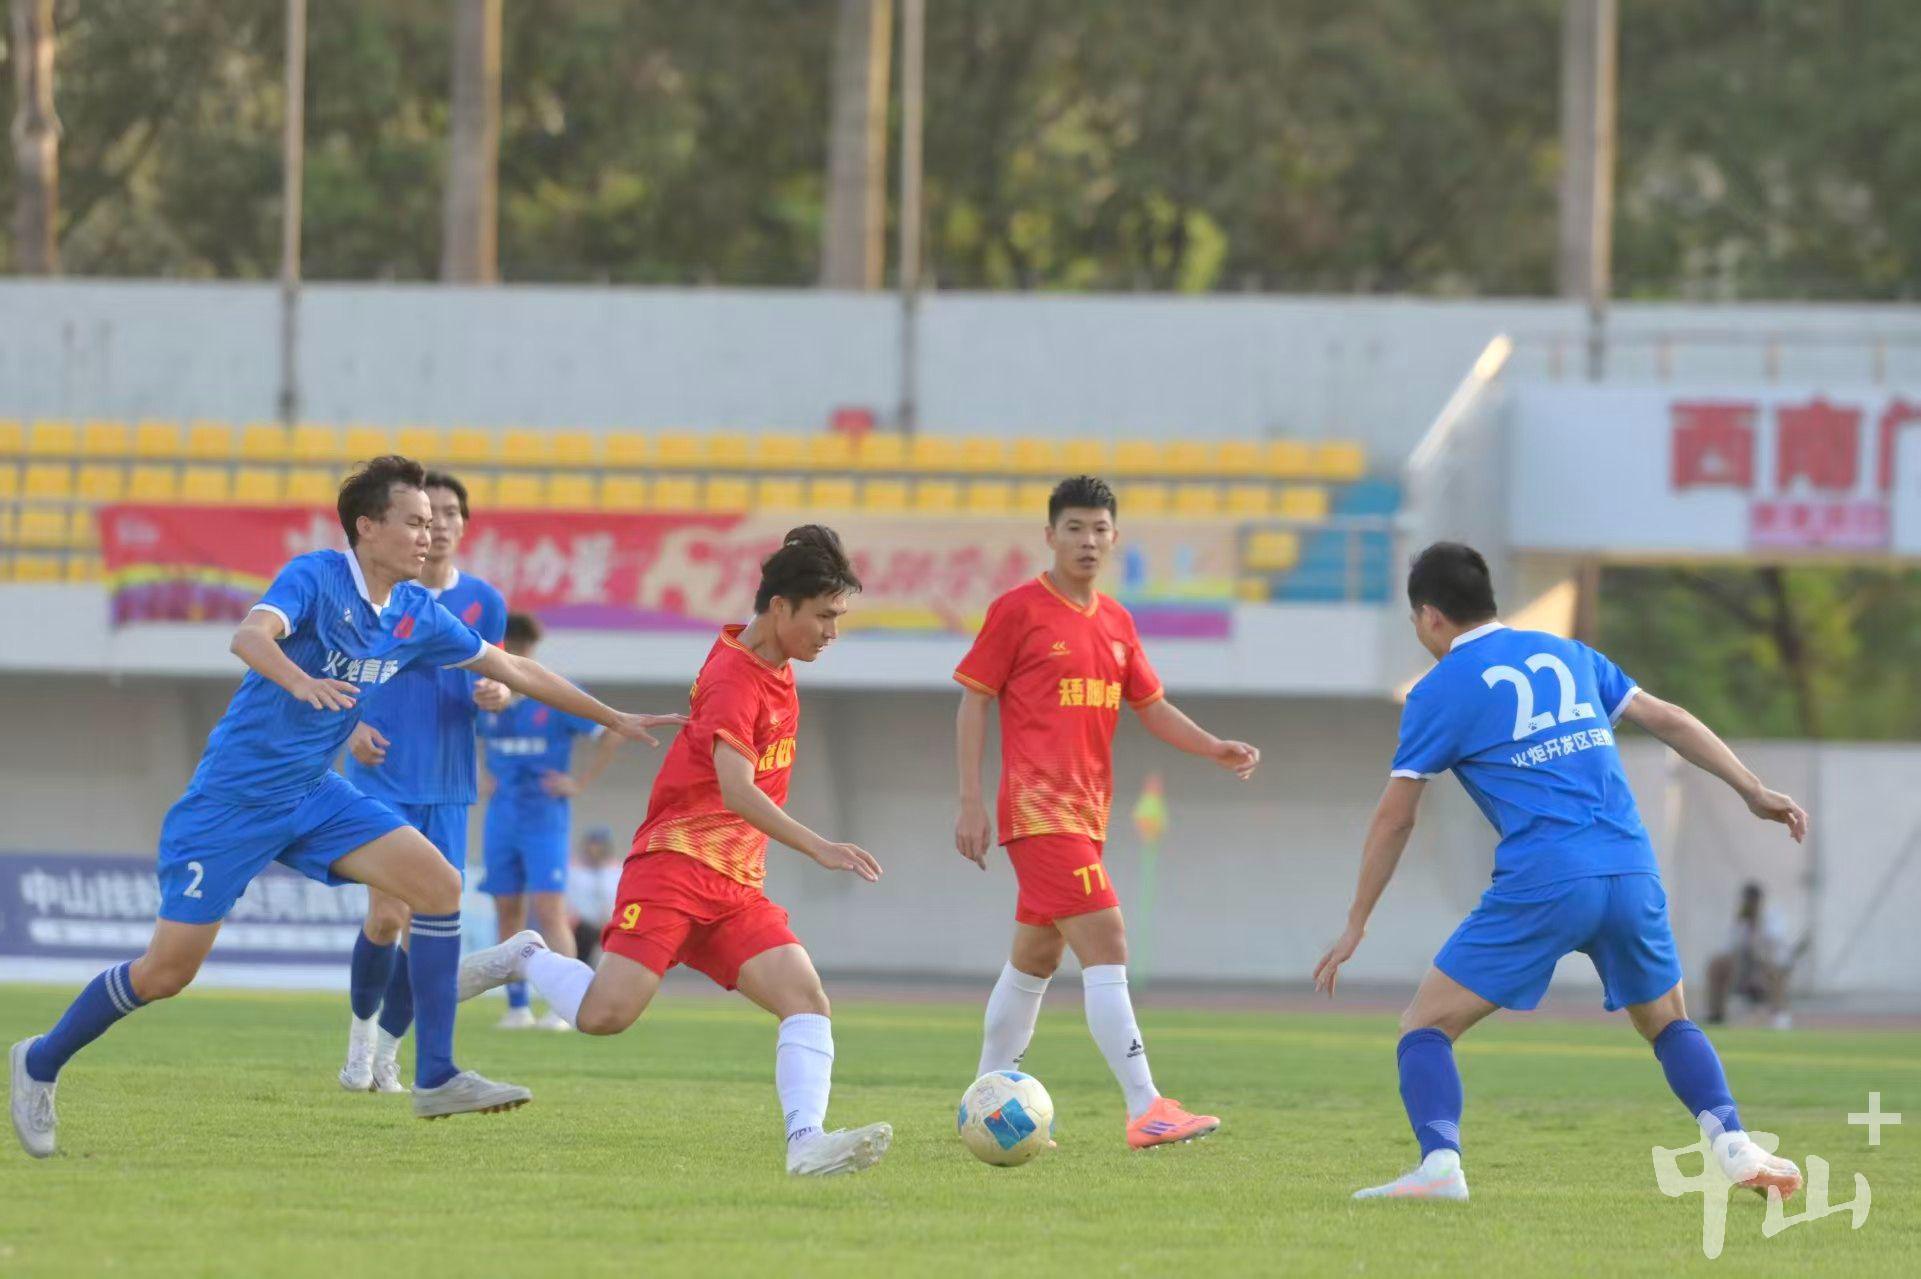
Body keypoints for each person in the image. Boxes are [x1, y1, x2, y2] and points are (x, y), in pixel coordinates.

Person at [8, 456, 687, 1158]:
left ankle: (436, 1074)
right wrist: (300, 681)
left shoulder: (416, 612)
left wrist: (610, 715)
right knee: (165, 973)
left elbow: (512, 667)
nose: (428, 534)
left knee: (439, 885)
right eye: (414, 522)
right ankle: (40, 1058)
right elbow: (248, 636)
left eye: (434, 522)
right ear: (367, 526)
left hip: (313, 791)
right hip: (234, 800)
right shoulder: (316, 576)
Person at [1312, 541, 1807, 1202]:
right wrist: (1752, 789)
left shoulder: (1438, 691)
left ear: (1429, 616)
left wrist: (1356, 922)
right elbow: (1669, 718)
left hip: (1546, 877)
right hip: (1629, 867)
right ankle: (1735, 1144)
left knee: (1423, 1027)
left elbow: (1394, 818)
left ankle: (1440, 1167)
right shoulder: (1569, 655)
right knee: (1668, 1023)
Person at [457, 526, 894, 1177]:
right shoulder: (736, 680)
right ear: (781, 607)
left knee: (805, 999)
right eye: (824, 616)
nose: (832, 632)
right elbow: (736, 789)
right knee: (604, 1016)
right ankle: (526, 954)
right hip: (675, 867)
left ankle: (806, 1141)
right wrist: (818, 845)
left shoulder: (773, 662)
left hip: (735, 885)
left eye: (839, 617)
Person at [953, 475, 1261, 1150]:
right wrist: (971, 800)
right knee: (1109, 940)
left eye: (1098, 529)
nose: (1087, 540)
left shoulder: (1117, 621)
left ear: (1114, 537)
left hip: (1087, 817)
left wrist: (1212, 746)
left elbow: (1151, 706)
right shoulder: (1018, 610)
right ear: (1050, 535)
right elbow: (974, 699)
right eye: (1074, 528)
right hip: (1038, 812)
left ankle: (983, 1100)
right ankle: (1146, 1106)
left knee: (1035, 959)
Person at [337, 470, 508, 1091]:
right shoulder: (378, 594)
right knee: (387, 916)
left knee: (429, 923)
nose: (437, 525)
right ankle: (359, 1044)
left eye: (450, 513)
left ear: (463, 525)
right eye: (425, 514)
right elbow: (336, 667)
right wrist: (350, 725)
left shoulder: (485, 602)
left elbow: (500, 674)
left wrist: (500, 694)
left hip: (449, 781)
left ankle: (388, 1052)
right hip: (381, 772)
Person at [477, 612, 622, 1029]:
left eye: (523, 648)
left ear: (532, 650)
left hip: (544, 818)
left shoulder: (555, 694)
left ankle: (565, 1006)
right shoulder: (485, 694)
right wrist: (478, 774)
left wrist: (580, 782)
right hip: (502, 816)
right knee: (507, 908)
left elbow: (610, 731)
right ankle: (517, 1006)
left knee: (550, 910)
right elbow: (455, 732)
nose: (517, 654)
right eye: (510, 646)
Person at [1706, 882, 1793, 1030]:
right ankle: (1716, 1013)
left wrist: (1757, 925)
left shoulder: (1772, 917)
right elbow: (1729, 946)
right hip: (1744, 964)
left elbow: (1774, 946)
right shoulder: (1740, 921)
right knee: (1717, 964)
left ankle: (1779, 1014)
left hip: (1769, 963)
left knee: (1773, 971)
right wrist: (1741, 925)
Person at [565, 827, 622, 963]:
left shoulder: (618, 870)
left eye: (599, 845)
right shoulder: (573, 869)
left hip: (611, 924)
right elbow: (566, 901)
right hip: (581, 926)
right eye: (592, 844)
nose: (595, 850)